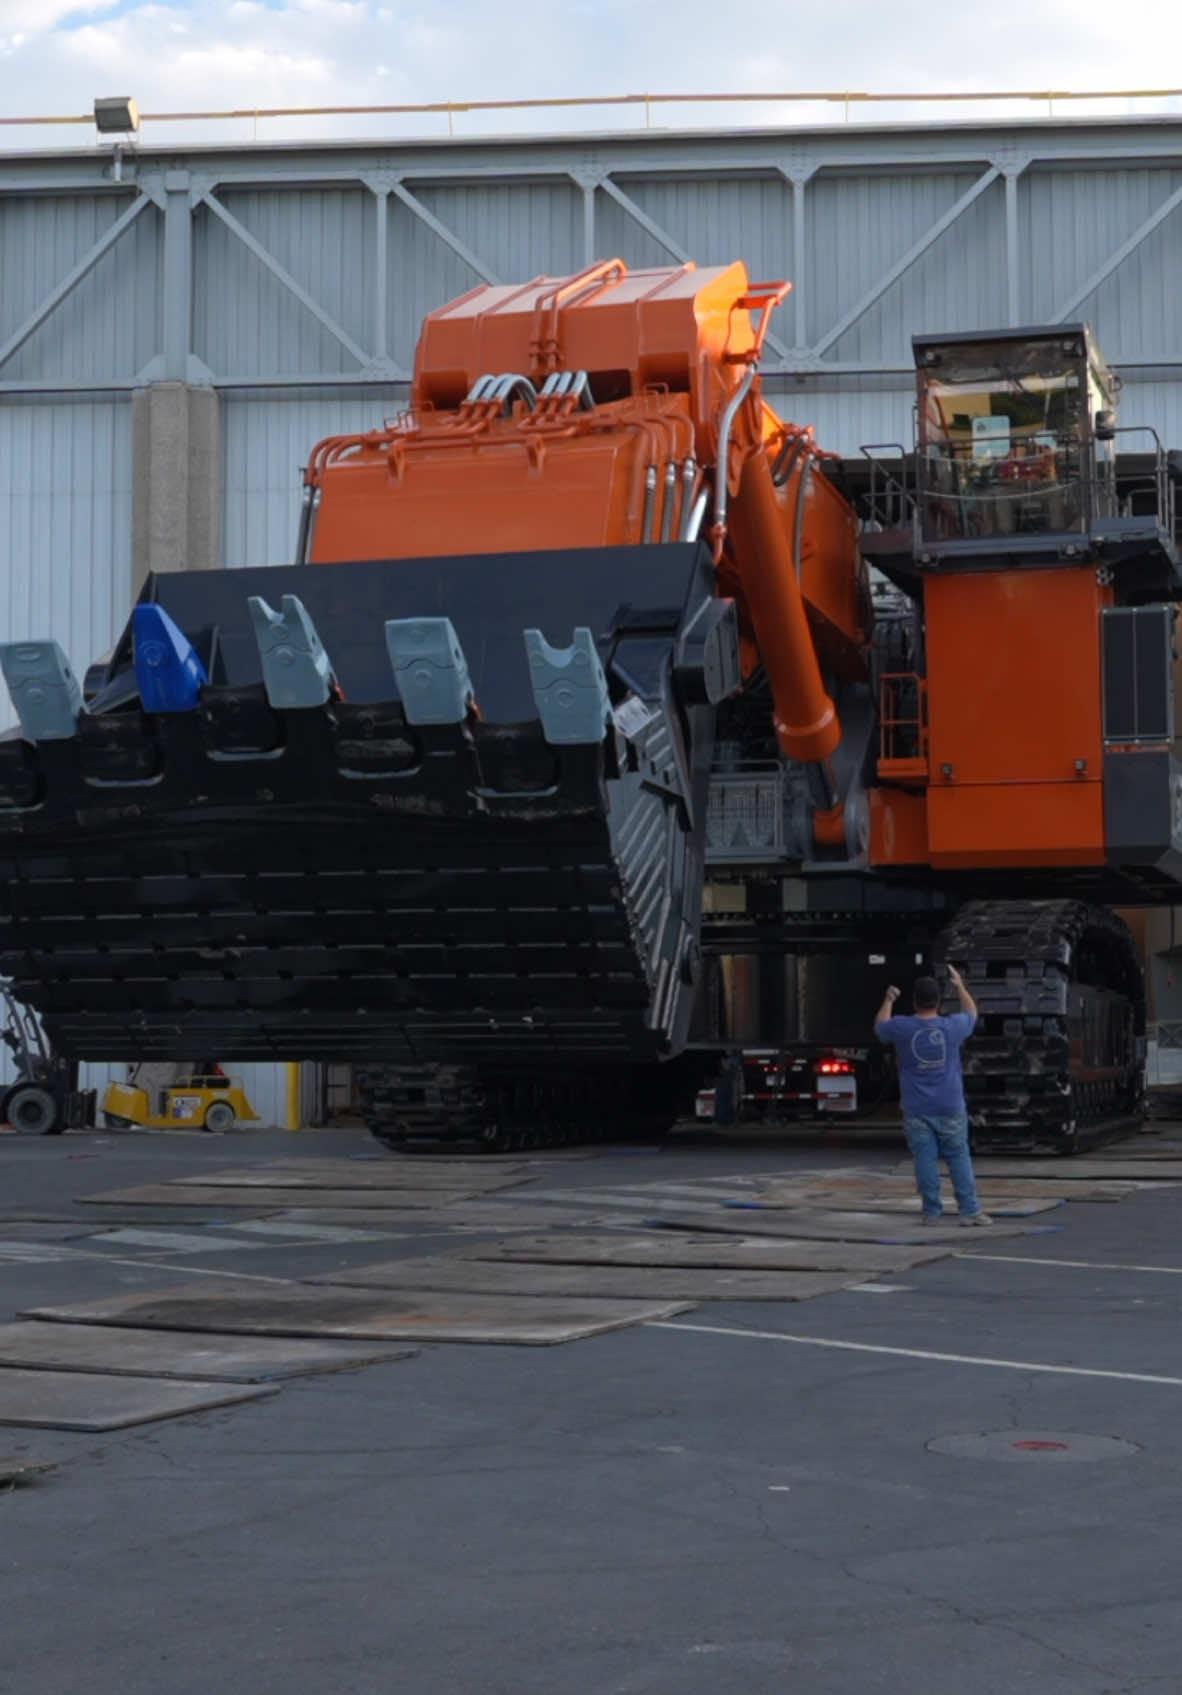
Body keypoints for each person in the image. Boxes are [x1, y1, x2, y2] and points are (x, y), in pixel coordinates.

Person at [873, 967, 991, 1227]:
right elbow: (971, 1013)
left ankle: (932, 1213)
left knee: (925, 1159)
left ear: (914, 1001)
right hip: (950, 1105)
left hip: (917, 1108)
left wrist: (889, 1000)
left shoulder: (902, 1028)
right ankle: (970, 1212)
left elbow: (880, 1028)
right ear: (938, 1002)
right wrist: (959, 985)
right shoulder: (952, 1027)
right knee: (958, 1157)